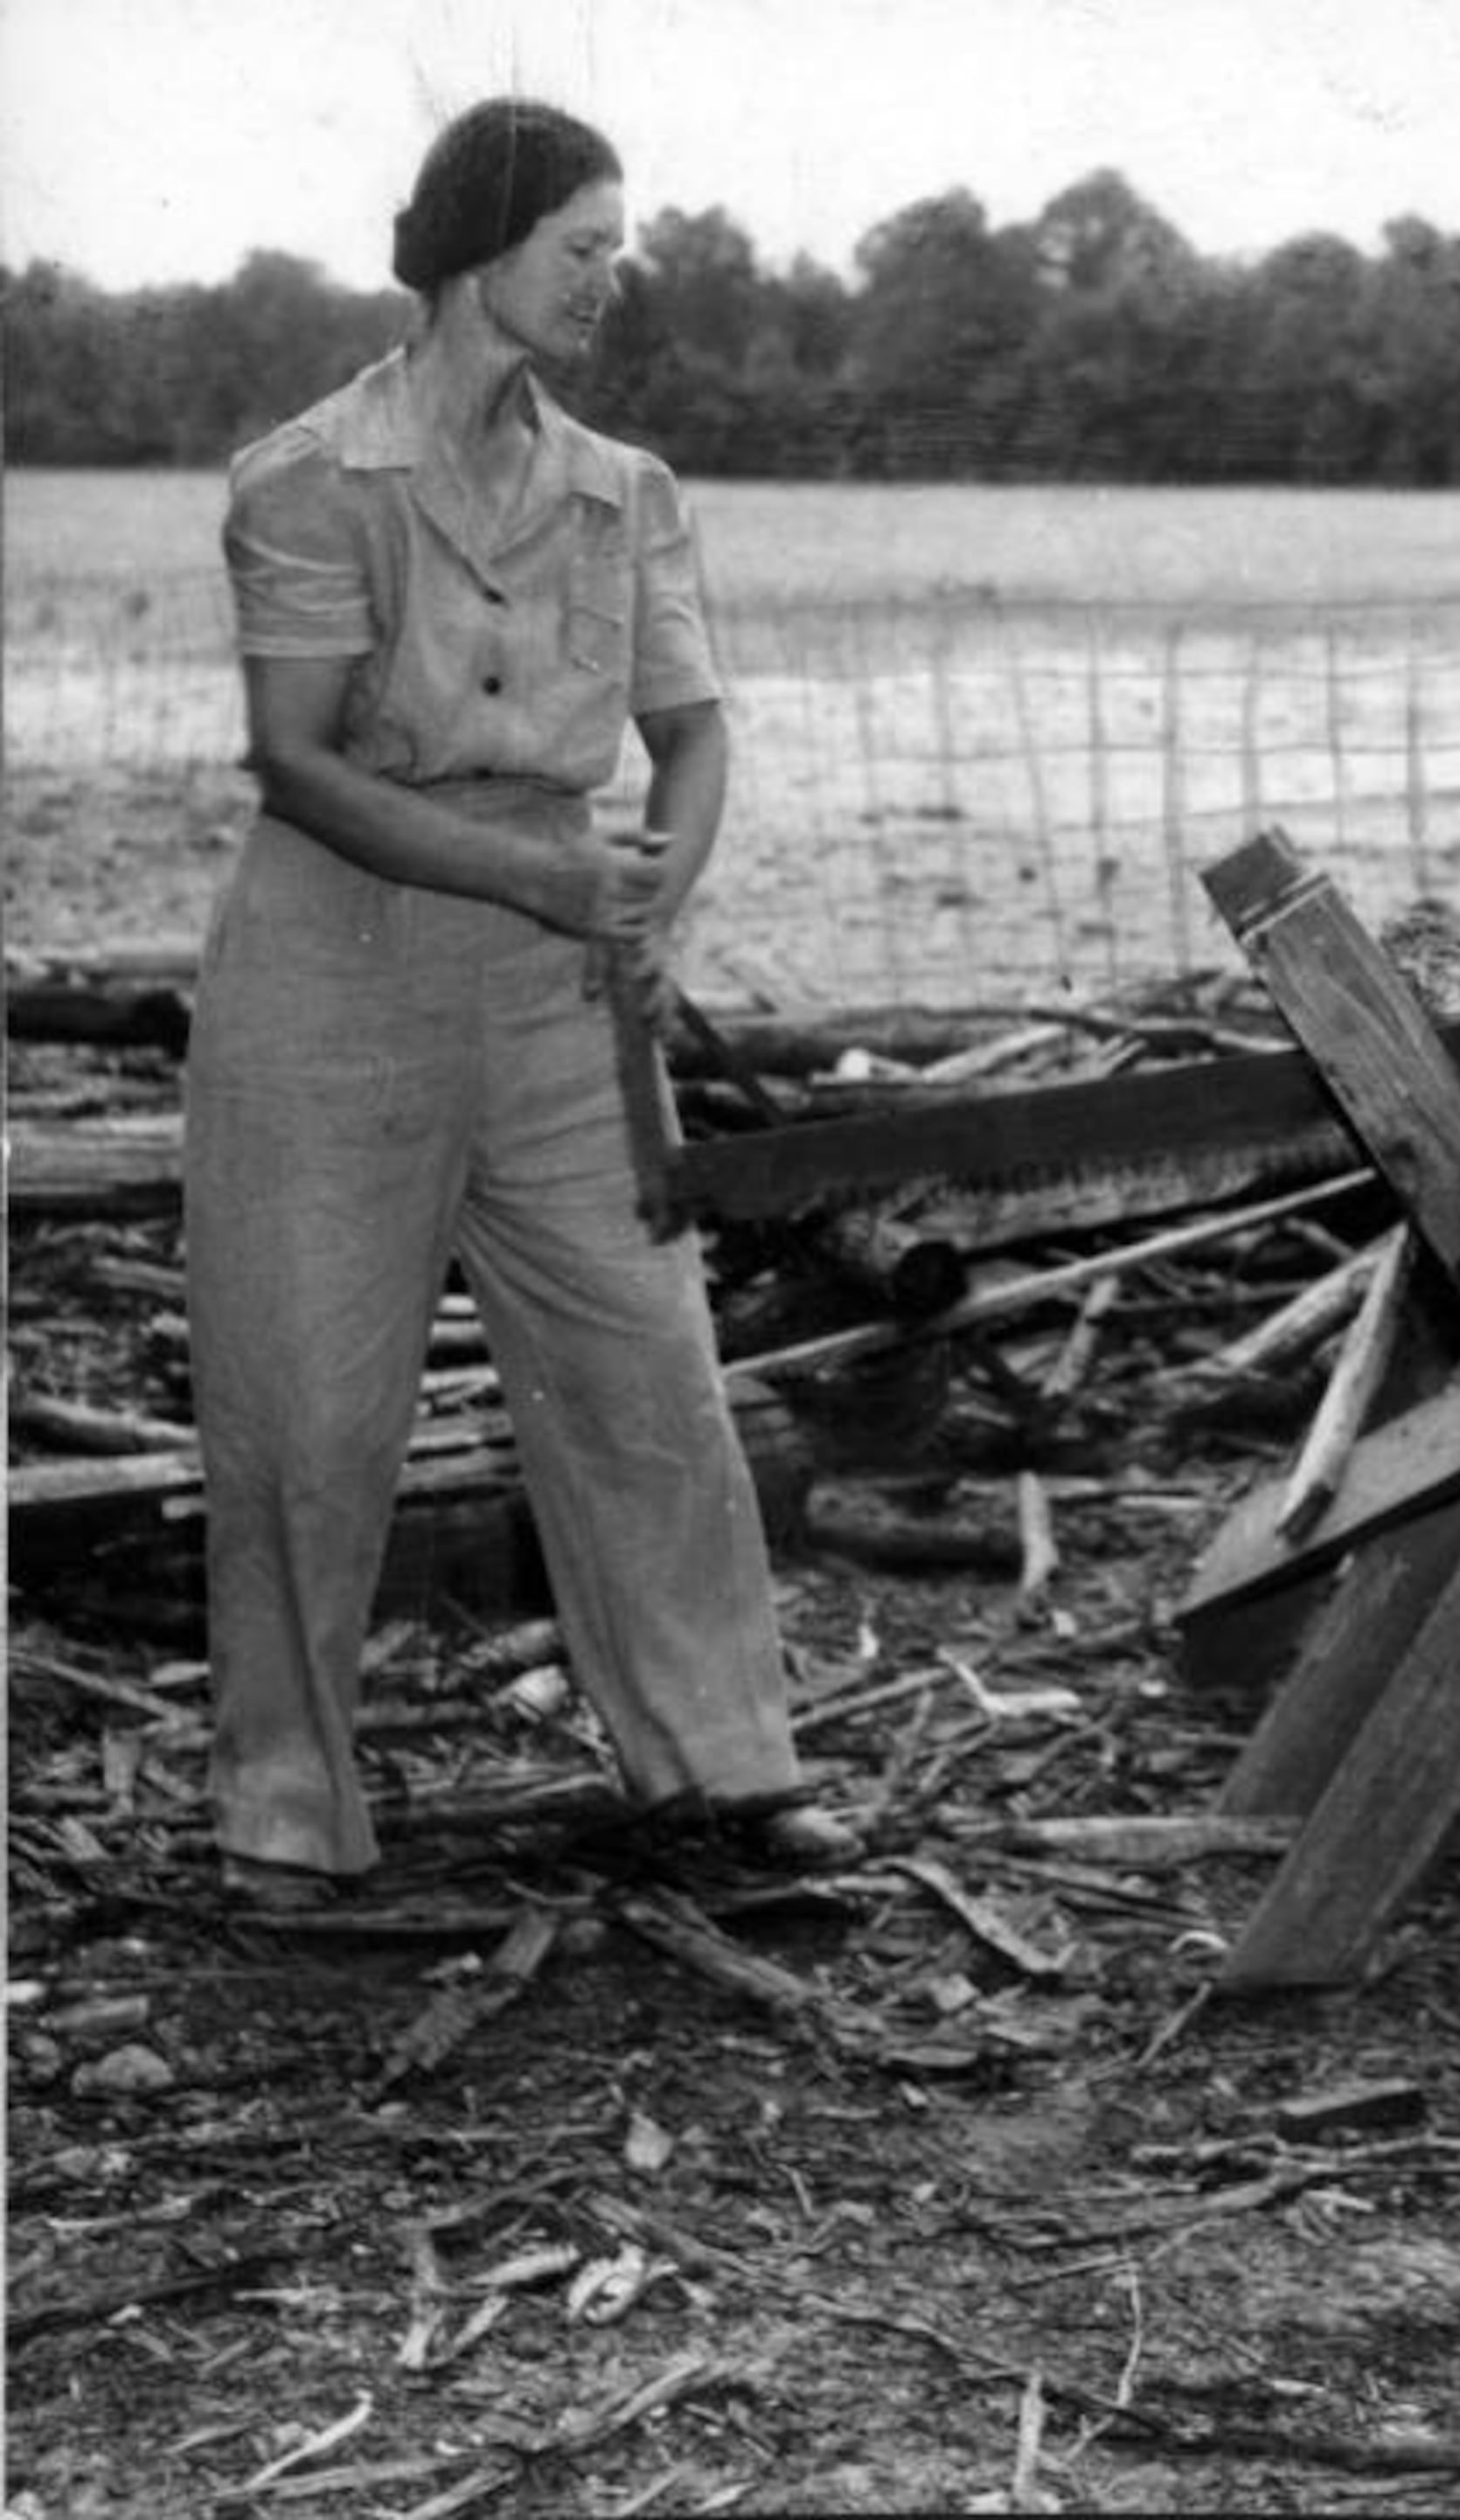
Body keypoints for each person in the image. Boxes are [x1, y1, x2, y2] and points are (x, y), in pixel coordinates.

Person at [189, 96, 859, 1905]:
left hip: (566, 989)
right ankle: (285, 1805)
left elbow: (696, 731)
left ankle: (726, 1768)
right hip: (335, 974)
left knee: (651, 1372)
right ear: (480, 249)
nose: (611, 282)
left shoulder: (624, 489)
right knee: (310, 1408)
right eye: (585, 248)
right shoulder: (311, 478)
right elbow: (300, 765)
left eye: (619, 250)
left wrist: (661, 883)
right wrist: (543, 875)